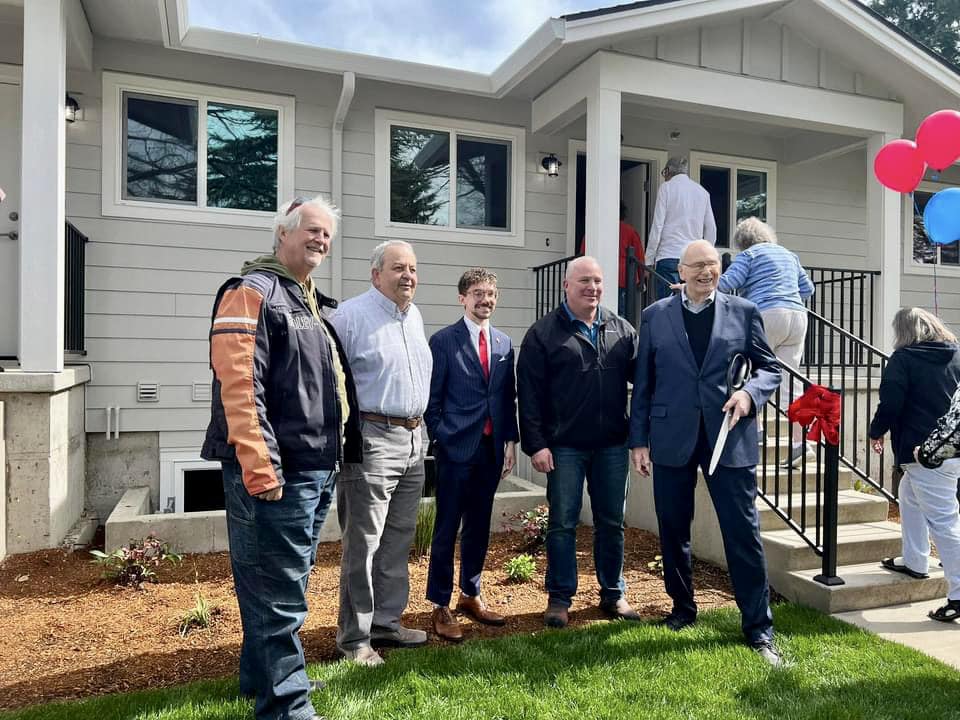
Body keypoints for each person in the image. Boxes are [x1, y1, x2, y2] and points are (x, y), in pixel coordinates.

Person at [202, 195, 357, 720]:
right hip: (279, 471)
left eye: (327, 234)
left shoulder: (308, 300)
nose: (321, 240)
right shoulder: (252, 291)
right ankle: (287, 706)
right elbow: (239, 385)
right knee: (279, 592)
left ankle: (259, 680)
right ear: (282, 233)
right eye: (311, 229)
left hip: (316, 466)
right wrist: (260, 465)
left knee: (277, 583)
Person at [629, 239, 783, 667]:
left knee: (743, 533)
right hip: (671, 437)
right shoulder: (655, 316)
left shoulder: (744, 311)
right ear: (680, 272)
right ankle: (682, 609)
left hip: (728, 439)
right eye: (697, 265)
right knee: (673, 529)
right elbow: (644, 384)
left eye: (712, 264)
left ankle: (758, 628)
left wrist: (749, 395)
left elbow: (770, 368)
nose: (706, 272)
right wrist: (639, 441)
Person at [517, 256, 640, 628]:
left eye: (598, 281)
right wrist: (536, 444)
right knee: (563, 523)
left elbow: (646, 382)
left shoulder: (622, 330)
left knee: (612, 523)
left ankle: (613, 593)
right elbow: (529, 394)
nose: (593, 287)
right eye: (584, 280)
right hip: (564, 447)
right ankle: (559, 598)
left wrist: (641, 437)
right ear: (566, 286)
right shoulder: (543, 334)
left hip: (613, 445)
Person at [329, 239, 433, 667]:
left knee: (397, 540)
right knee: (364, 544)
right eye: (398, 268)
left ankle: (386, 623)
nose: (408, 275)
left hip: (413, 440)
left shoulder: (414, 316)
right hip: (371, 438)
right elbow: (328, 381)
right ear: (376, 275)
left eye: (412, 269)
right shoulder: (350, 316)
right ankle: (354, 638)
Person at [425, 268, 519, 641]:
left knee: (479, 526)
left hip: (490, 450)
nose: (486, 300)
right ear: (462, 298)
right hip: (456, 450)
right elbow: (432, 400)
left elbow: (507, 397)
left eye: (491, 294)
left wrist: (509, 441)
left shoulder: (504, 343)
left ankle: (470, 594)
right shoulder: (443, 341)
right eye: (478, 293)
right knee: (447, 527)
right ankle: (440, 603)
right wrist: (442, 436)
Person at [869, 307, 960, 623]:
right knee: (908, 495)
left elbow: (891, 402)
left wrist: (876, 431)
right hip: (951, 447)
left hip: (925, 452)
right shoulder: (956, 355)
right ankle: (916, 560)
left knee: (945, 522)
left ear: (903, 332)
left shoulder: (903, 359)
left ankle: (958, 595)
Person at [718, 217, 815, 468]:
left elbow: (727, 284)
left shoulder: (748, 255)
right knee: (791, 382)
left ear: (742, 242)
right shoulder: (789, 255)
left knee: (753, 371)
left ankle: (758, 431)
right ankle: (800, 443)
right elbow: (808, 289)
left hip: (766, 314)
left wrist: (693, 287)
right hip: (797, 317)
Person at [646, 157, 717, 300]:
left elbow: (658, 225)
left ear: (668, 171)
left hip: (668, 255)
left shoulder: (666, 188)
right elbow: (711, 229)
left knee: (667, 305)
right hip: (693, 258)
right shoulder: (702, 192)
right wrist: (706, 256)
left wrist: (648, 259)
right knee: (692, 303)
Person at [618, 202, 646, 317]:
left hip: (603, 276)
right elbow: (639, 257)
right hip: (625, 278)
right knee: (624, 314)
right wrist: (641, 280)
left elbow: (584, 252)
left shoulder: (597, 230)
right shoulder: (630, 231)